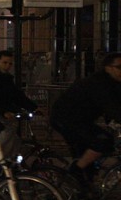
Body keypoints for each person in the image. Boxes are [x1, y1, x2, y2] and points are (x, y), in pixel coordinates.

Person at [50, 52, 121, 187]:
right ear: (108, 67)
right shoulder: (99, 83)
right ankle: (75, 171)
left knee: (87, 160)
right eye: (120, 67)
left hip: (81, 120)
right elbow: (111, 107)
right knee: (103, 140)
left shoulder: (113, 83)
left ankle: (82, 194)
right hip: (66, 118)